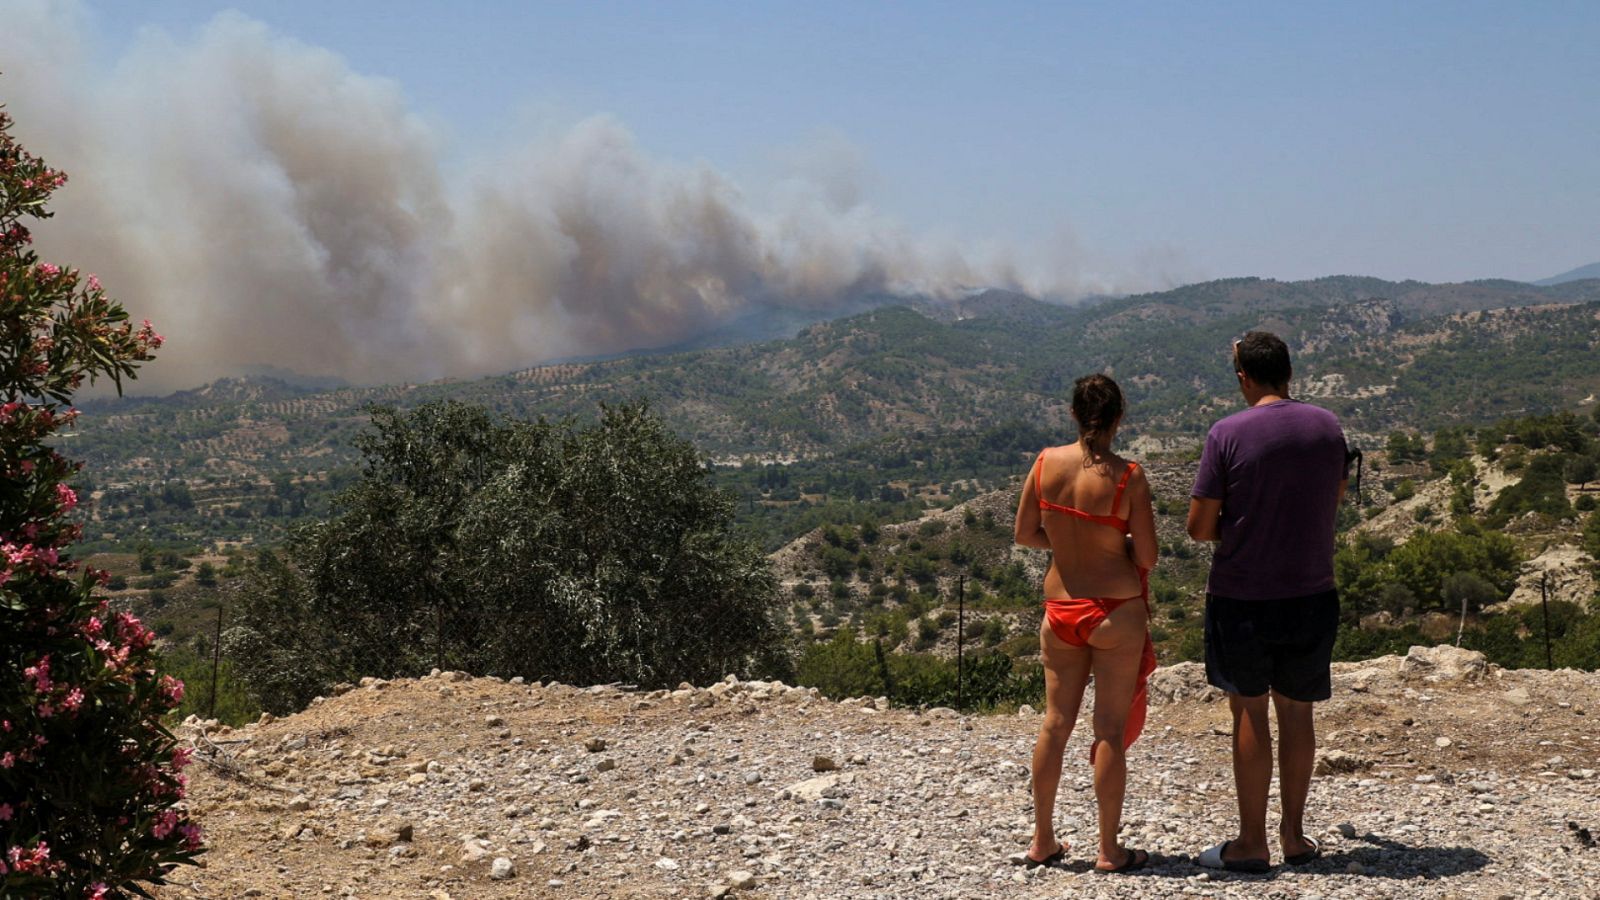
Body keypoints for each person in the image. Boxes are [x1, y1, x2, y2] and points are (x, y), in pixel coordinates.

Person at [1186, 331, 1348, 873]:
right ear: (1289, 372)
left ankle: (1251, 842)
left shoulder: (1226, 433)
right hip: (1313, 589)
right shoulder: (1327, 427)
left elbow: (1198, 527)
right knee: (1298, 712)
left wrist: (1241, 526)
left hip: (1244, 596)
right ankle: (1294, 836)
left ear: (1244, 378)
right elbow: (1334, 498)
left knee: (1250, 710)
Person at [1013, 373, 1158, 874]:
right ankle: (1109, 850)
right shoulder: (1128, 476)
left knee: (1055, 723)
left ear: (1074, 414)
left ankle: (1042, 840)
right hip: (1115, 609)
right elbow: (1149, 556)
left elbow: (1025, 534)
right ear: (1119, 418)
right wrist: (1113, 546)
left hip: (1060, 608)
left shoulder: (1044, 463)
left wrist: (1066, 542)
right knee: (1109, 731)